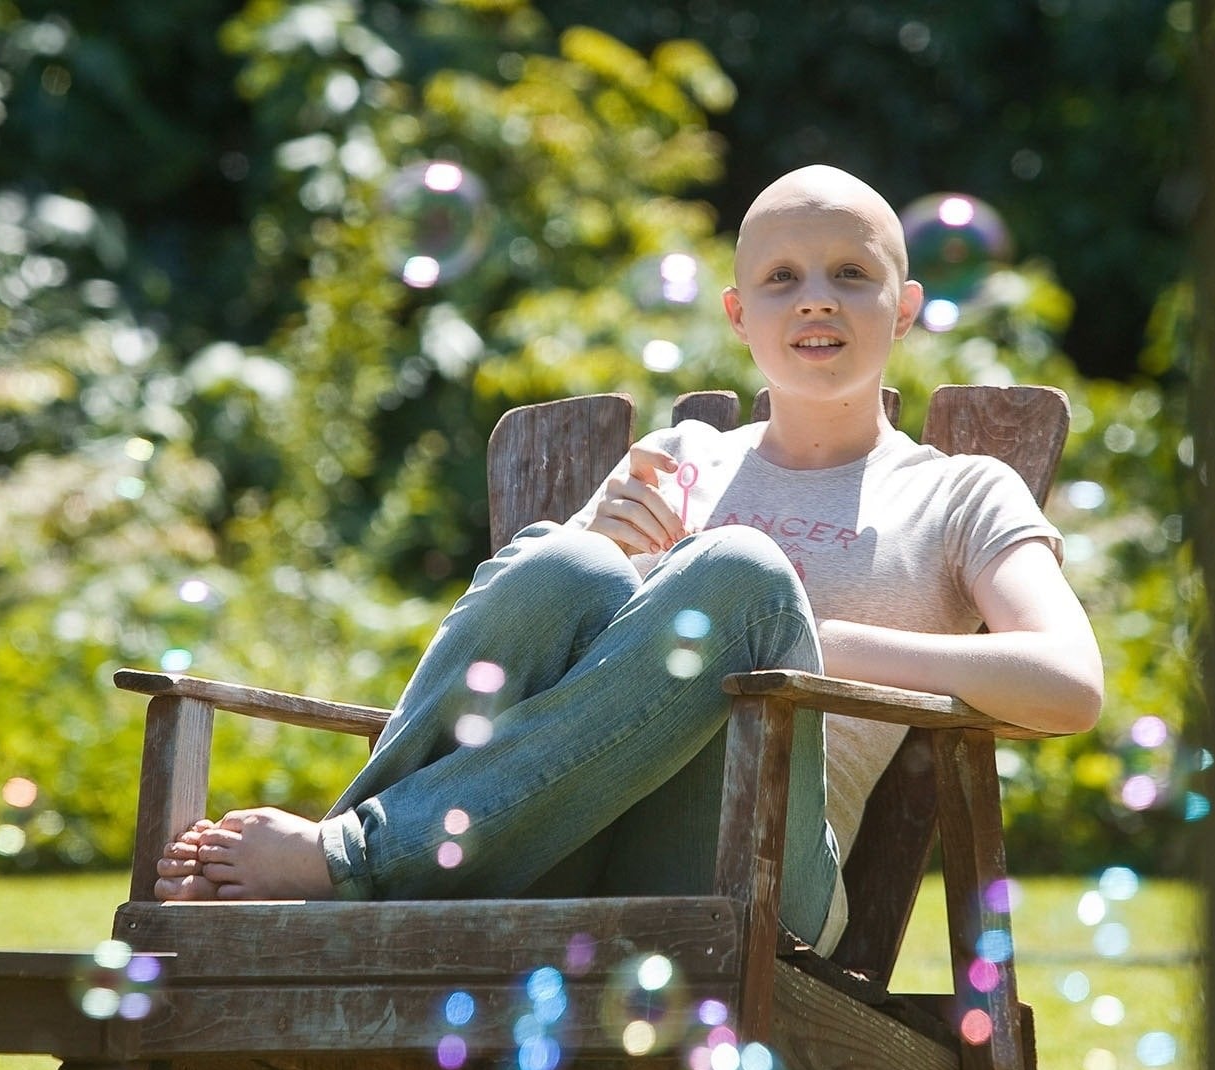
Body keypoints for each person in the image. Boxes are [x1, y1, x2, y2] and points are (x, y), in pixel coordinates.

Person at [153, 164, 1103, 954]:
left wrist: (823, 646)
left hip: (751, 878)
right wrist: (606, 544)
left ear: (905, 310)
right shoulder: (682, 459)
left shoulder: (958, 493)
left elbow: (1069, 682)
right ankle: (353, 856)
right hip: (552, 846)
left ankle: (348, 859)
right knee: (567, 565)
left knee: (743, 573)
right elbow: (548, 651)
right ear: (738, 314)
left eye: (852, 272)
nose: (816, 295)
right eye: (781, 277)